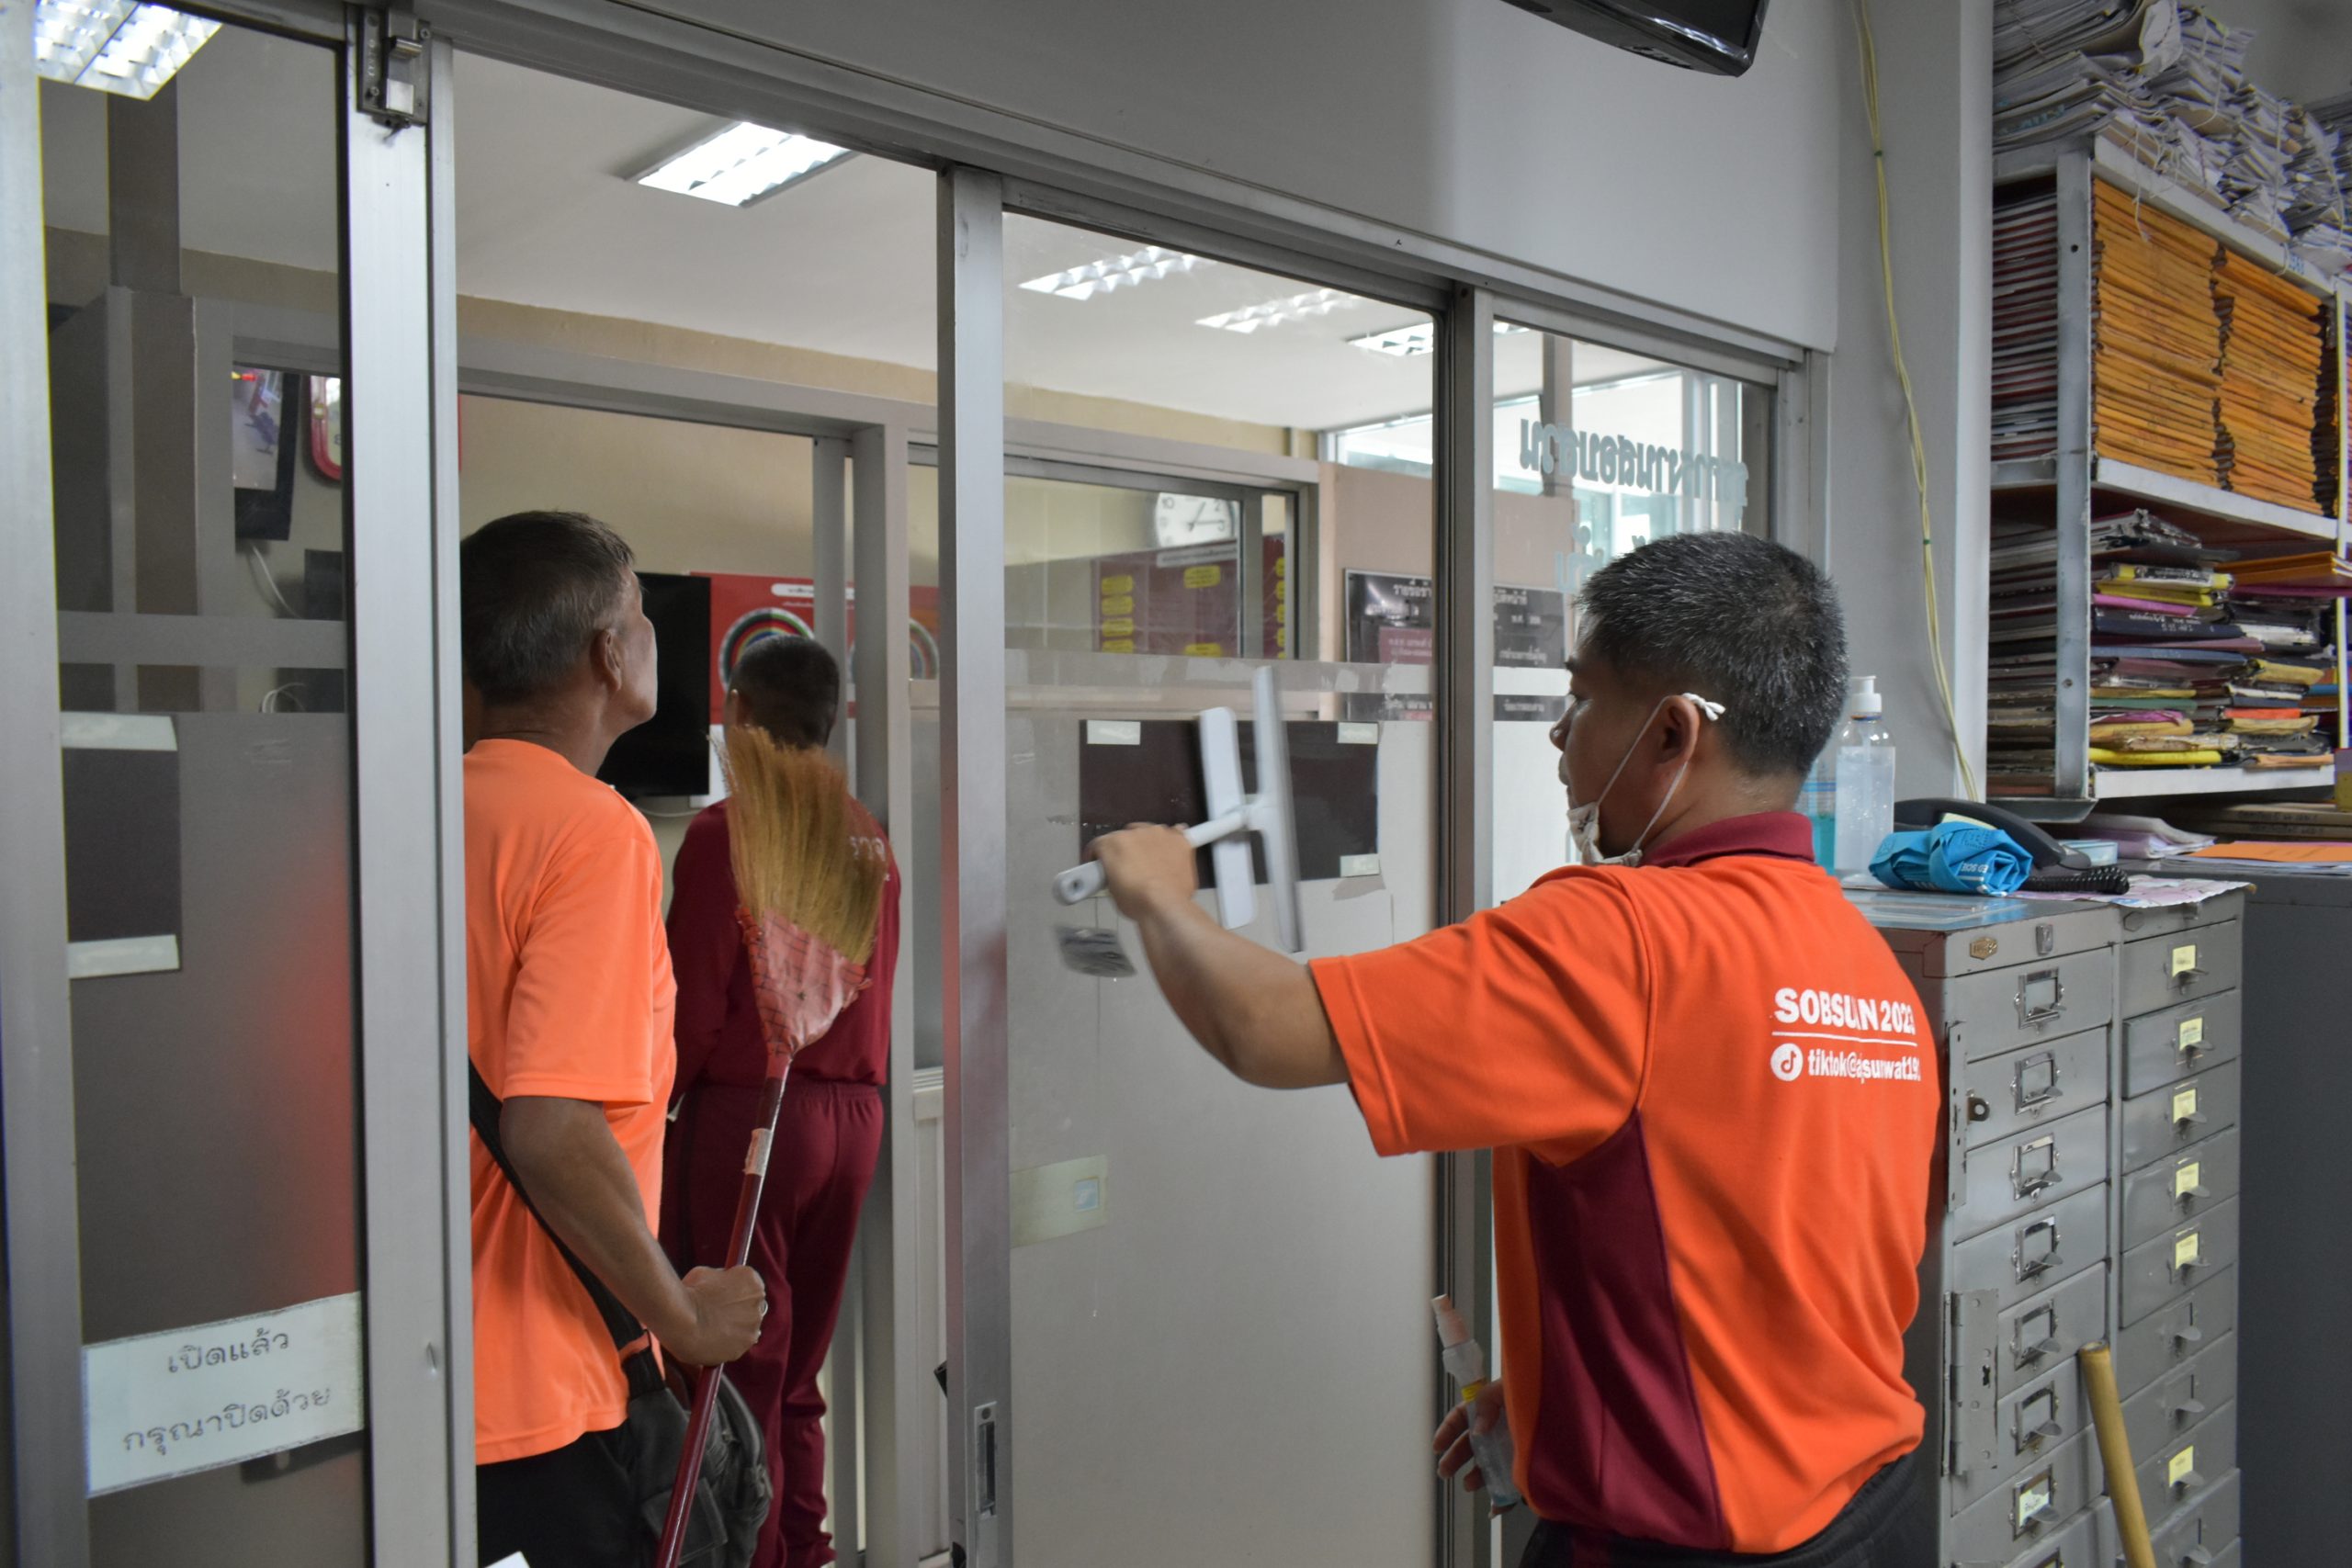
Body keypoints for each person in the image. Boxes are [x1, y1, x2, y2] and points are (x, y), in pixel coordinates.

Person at [1090, 532, 1939, 1566]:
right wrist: (1572, 1396)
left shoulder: (1620, 938)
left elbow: (1263, 1028)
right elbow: (1784, 1265)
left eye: (1580, 700)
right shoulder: (1863, 963)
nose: (1559, 735)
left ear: (1673, 733)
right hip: (1872, 1518)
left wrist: (1160, 897)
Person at [462, 510, 767, 1568]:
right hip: (539, 1392)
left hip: (424, 1381)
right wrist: (680, 1318)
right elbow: (550, 1126)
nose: (649, 638)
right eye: (640, 614)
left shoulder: (413, 811)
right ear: (608, 654)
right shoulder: (591, 830)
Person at [662, 634, 901, 1568]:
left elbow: (693, 1001)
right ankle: (804, 1549)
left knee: (733, 1366)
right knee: (798, 1371)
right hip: (855, 1118)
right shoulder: (866, 834)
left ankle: (749, 1557)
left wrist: (653, 1110)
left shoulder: (729, 832)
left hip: (758, 1116)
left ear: (739, 715)